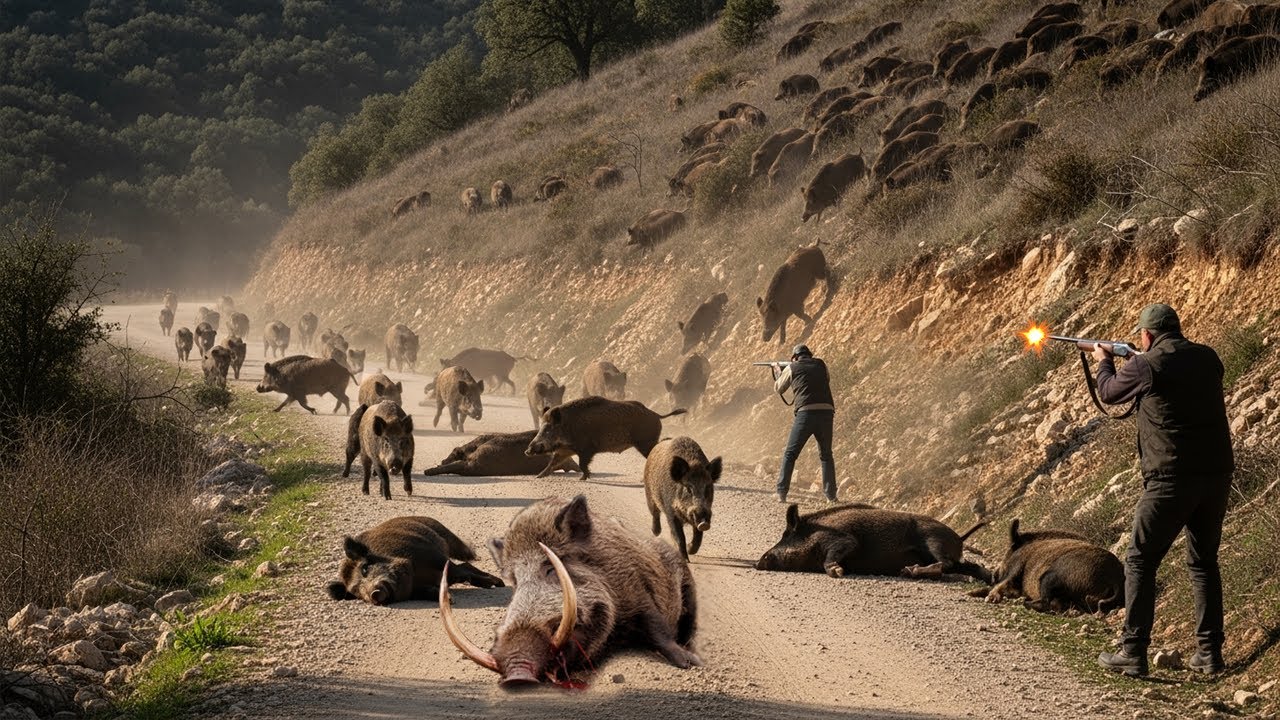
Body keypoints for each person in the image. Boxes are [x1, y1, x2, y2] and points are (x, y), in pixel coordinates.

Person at [1094, 304, 1234, 677]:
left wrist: (1104, 359)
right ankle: (1209, 653)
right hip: (1216, 475)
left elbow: (1108, 392)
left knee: (1139, 560)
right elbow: (1178, 377)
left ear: (1147, 336)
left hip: (1171, 477)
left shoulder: (1144, 365)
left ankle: (1133, 652)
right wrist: (1140, 357)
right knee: (1203, 563)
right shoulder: (1208, 358)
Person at [772, 344, 837, 504]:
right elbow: (826, 379)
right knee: (826, 454)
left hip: (806, 413)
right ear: (809, 355)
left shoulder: (792, 367)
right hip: (827, 412)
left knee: (790, 454)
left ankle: (781, 493)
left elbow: (779, 388)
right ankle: (831, 496)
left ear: (794, 357)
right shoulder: (821, 364)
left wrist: (778, 372)